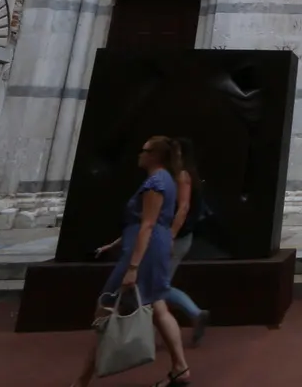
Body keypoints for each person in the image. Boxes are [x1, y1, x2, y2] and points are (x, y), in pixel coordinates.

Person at [73, 135, 190, 387]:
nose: (139, 154)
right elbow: (145, 221)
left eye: (144, 150)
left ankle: (82, 380)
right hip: (149, 246)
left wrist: (133, 267)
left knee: (105, 310)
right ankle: (180, 368)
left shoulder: (155, 182)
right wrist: (114, 244)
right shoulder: (164, 179)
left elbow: (148, 224)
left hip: (144, 251)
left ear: (155, 155)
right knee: (158, 306)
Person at [165, 137, 210, 347]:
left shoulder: (182, 176)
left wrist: (170, 235)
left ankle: (194, 313)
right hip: (180, 237)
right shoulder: (185, 175)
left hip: (177, 238)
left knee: (156, 286)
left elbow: (182, 209)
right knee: (156, 286)